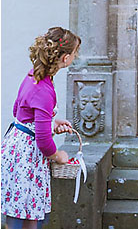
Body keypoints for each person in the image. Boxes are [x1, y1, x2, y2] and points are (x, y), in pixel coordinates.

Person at [2, 27, 81, 229]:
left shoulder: (32, 76)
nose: (75, 57)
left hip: (15, 148)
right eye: (74, 53)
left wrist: (50, 123)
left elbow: (19, 111)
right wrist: (58, 156)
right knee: (27, 217)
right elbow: (44, 142)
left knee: (21, 213)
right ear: (64, 58)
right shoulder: (45, 89)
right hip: (27, 157)